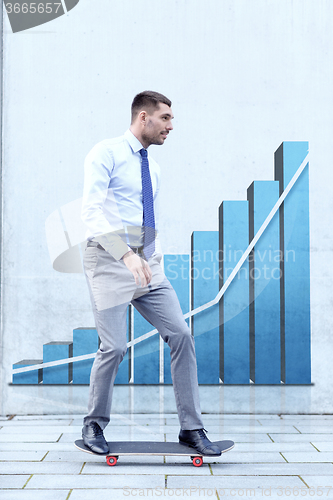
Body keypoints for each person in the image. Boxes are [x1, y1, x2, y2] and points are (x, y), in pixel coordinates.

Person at [81, 90, 220, 457]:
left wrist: (150, 257)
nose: (171, 127)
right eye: (166, 119)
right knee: (113, 347)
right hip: (110, 260)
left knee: (181, 334)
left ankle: (191, 429)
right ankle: (94, 423)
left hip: (147, 264)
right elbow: (91, 213)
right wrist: (126, 255)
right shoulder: (105, 153)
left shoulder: (152, 167)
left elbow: (148, 219)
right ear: (144, 117)